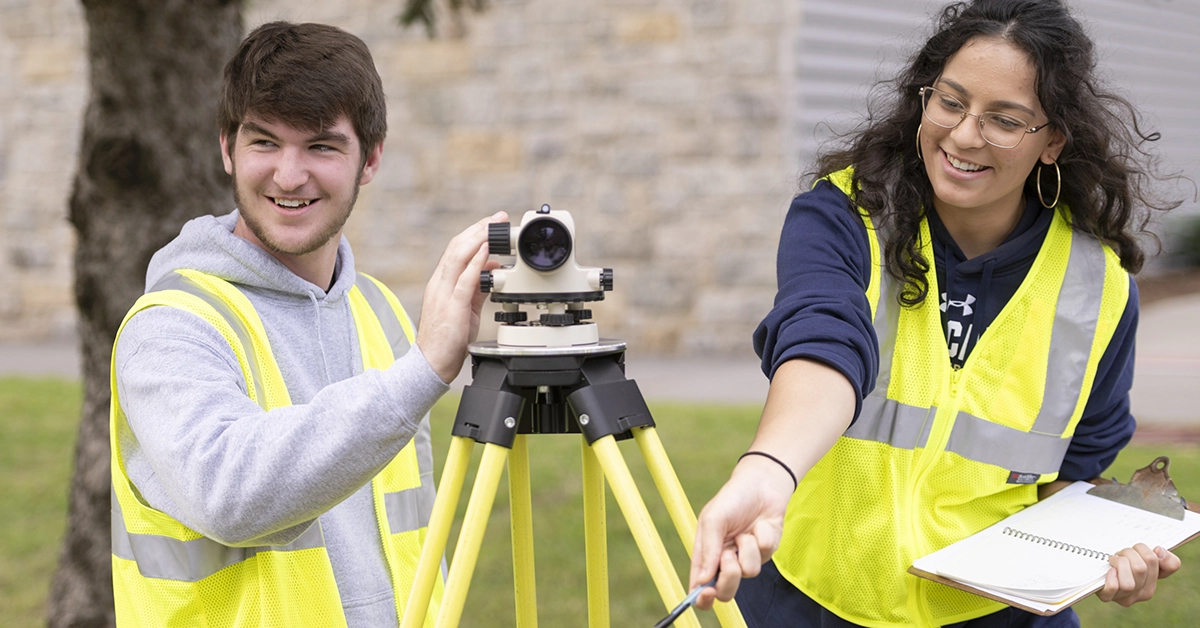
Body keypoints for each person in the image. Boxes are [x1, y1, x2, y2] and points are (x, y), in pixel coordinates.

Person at [688, 1, 1183, 626]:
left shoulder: (1097, 284)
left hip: (1002, 614)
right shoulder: (843, 217)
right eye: (950, 102)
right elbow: (823, 342)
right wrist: (769, 469)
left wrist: (1105, 548)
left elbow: (1073, 472)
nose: (963, 135)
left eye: (1004, 120)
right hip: (815, 604)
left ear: (1053, 140)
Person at [108, 22, 503, 627]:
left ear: (369, 159)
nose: (289, 176)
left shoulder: (380, 313)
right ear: (226, 149)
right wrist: (422, 372)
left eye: (320, 146)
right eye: (264, 142)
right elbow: (228, 492)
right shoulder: (171, 326)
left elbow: (414, 538)